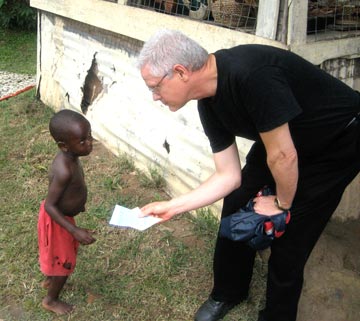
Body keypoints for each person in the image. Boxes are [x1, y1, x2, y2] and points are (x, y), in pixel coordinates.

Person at [137, 29, 360, 321]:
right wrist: (172, 207)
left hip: (338, 141)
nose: (154, 97)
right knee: (236, 202)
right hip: (283, 141)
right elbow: (228, 176)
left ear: (180, 72)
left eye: (154, 87)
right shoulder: (208, 101)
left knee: (291, 235)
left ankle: (277, 316)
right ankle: (227, 292)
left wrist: (281, 204)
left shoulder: (252, 74)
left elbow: (284, 156)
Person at [38, 109, 96, 315]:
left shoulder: (72, 157)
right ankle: (51, 300)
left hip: (64, 217)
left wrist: (79, 205)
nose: (90, 142)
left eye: (89, 136)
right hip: (58, 220)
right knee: (65, 262)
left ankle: (49, 278)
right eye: (83, 141)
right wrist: (74, 230)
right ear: (64, 146)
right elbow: (50, 206)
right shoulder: (63, 170)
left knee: (55, 254)